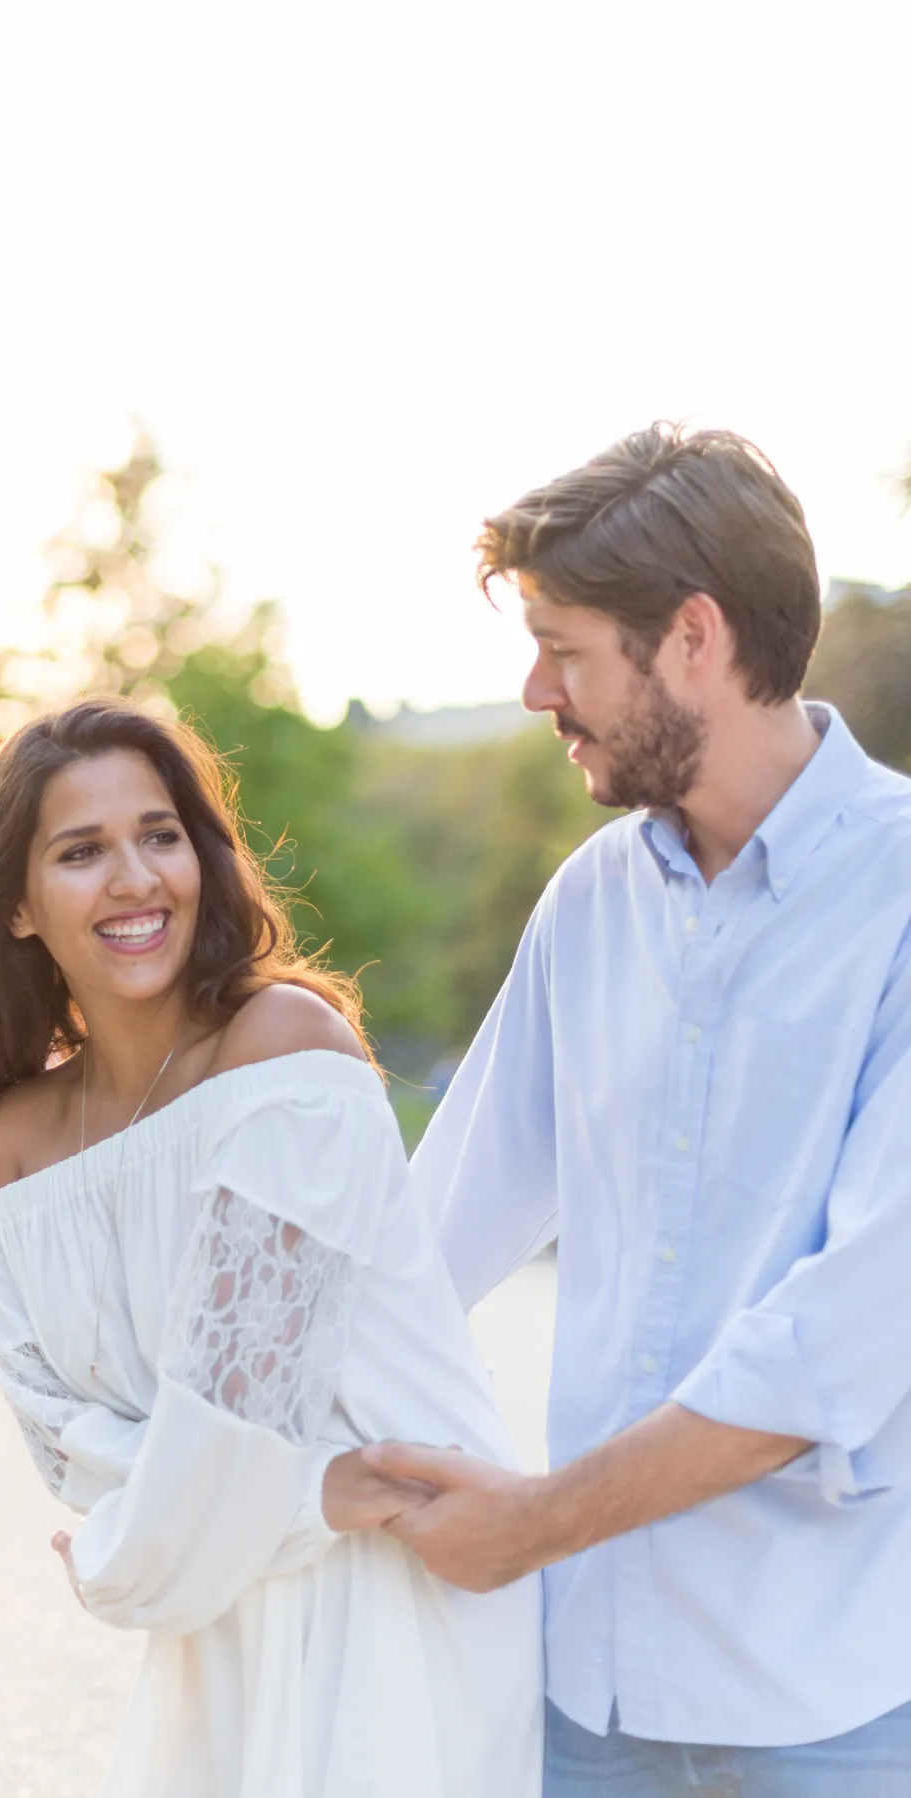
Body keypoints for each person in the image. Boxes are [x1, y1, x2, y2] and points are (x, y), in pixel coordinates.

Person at [359, 423, 911, 1795]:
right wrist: (189, 1461)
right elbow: (424, 1239)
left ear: (694, 639)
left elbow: (840, 1346)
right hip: (584, 1699)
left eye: (565, 648)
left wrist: (530, 1524)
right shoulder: (591, 902)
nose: (534, 690)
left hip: (830, 1708)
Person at [0, 698, 542, 1798]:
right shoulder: (14, 1142)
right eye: (82, 851)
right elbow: (59, 1441)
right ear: (16, 907)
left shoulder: (282, 1051)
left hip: (389, 1605)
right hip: (218, 1629)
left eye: (160, 835)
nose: (135, 879)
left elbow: (238, 1421)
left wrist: (124, 1557)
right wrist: (308, 1491)